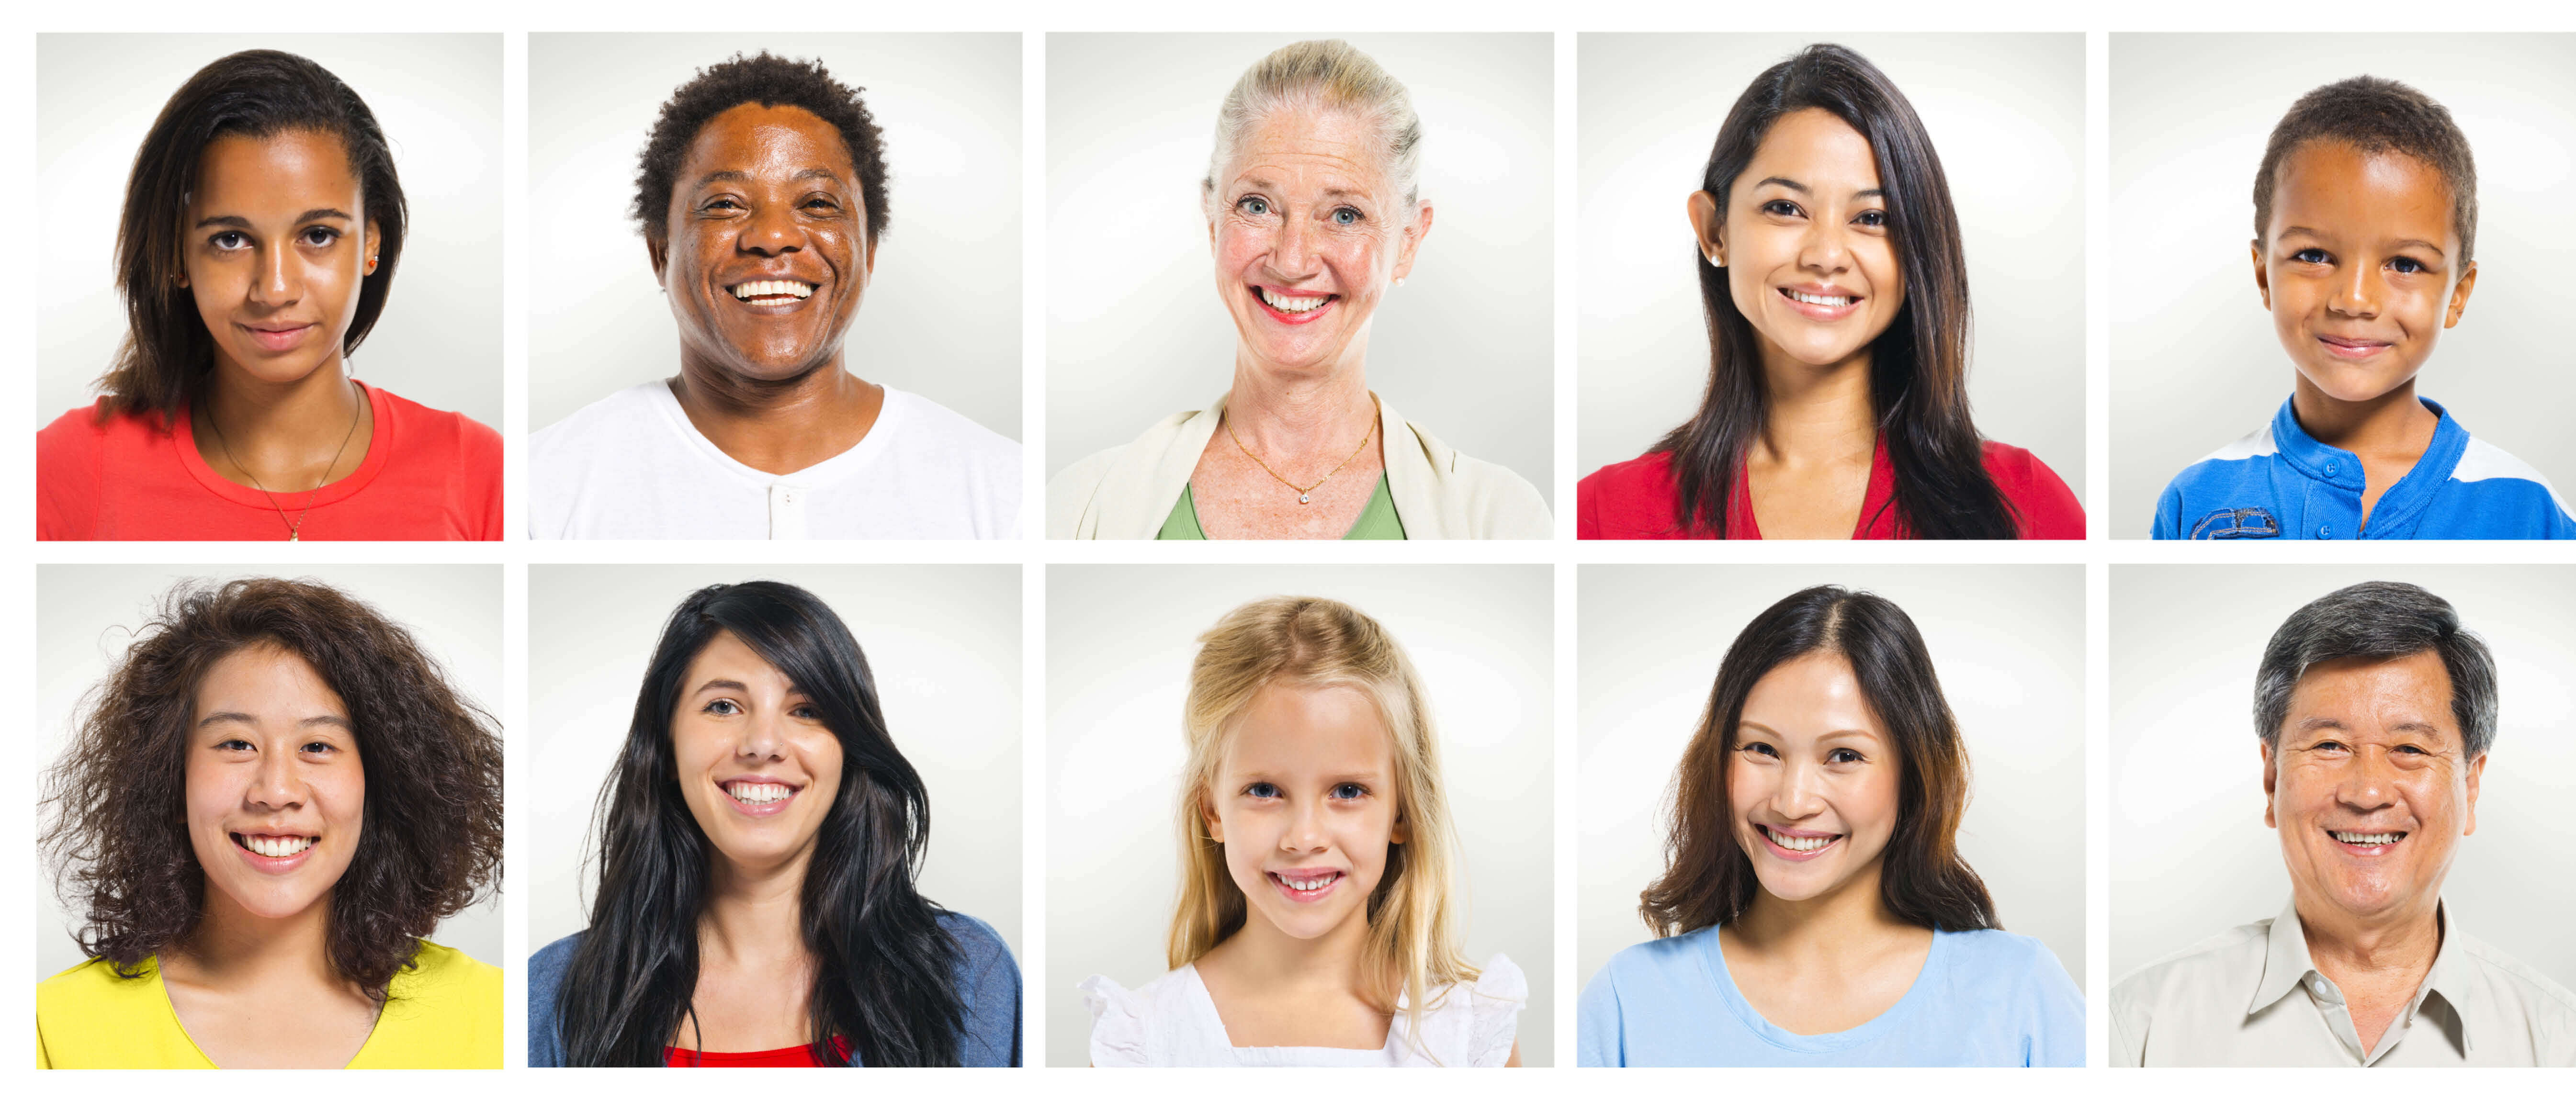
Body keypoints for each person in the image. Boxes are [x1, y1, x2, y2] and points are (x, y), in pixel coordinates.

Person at [1576, 45, 2084, 540]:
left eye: (1871, 218)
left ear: (1917, 248)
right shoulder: (1602, 515)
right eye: (1785, 207)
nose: (1825, 254)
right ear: (1714, 230)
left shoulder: (2028, 505)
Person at [1049, 40, 1546, 539]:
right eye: (1257, 206)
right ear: (1212, 221)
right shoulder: (1076, 506)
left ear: (1409, 242)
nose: (1292, 260)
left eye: (1345, 215)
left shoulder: (1501, 518)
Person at [2111, 581, 2576, 1066]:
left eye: (2408, 749)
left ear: (2470, 785)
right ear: (2271, 778)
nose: (2367, 792)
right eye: (2329, 745)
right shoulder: (2139, 1029)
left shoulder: (2567, 1053)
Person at [1579, 586, 2083, 1065]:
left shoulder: (2020, 991)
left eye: (1843, 755)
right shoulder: (1627, 1002)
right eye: (1761, 748)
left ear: (1914, 773)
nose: (1792, 801)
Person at [528, 581, 1019, 1066]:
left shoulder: (967, 969)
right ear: (668, 746)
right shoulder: (551, 990)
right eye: (723, 705)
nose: (762, 743)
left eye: (806, 709)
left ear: (847, 751)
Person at [531, 53, 1020, 539]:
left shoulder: (1003, 489)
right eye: (724, 204)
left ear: (867, 253)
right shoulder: (539, 488)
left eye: (817, 203)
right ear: (660, 252)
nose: (772, 235)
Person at [38, 578, 504, 1067]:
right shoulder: (52, 1028)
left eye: (318, 746)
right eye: (237, 744)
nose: (277, 792)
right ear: (170, 780)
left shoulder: (495, 1013)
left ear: (382, 782)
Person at [38, 50, 501, 541]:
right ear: (177, 255)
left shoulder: (475, 470)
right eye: (230, 240)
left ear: (372, 242)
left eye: (318, 235)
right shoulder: (72, 465)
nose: (275, 290)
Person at [1081, 596, 1522, 1065]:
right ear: (1212, 810)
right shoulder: (1143, 1040)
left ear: (1401, 812)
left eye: (1348, 790)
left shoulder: (1467, 1033)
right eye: (1265, 789)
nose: (1305, 836)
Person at [2152, 77, 2576, 540]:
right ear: (2263, 276)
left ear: (2457, 294)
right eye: (2313, 256)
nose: (2354, 301)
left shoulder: (2526, 505)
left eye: (2405, 263)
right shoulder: (2195, 496)